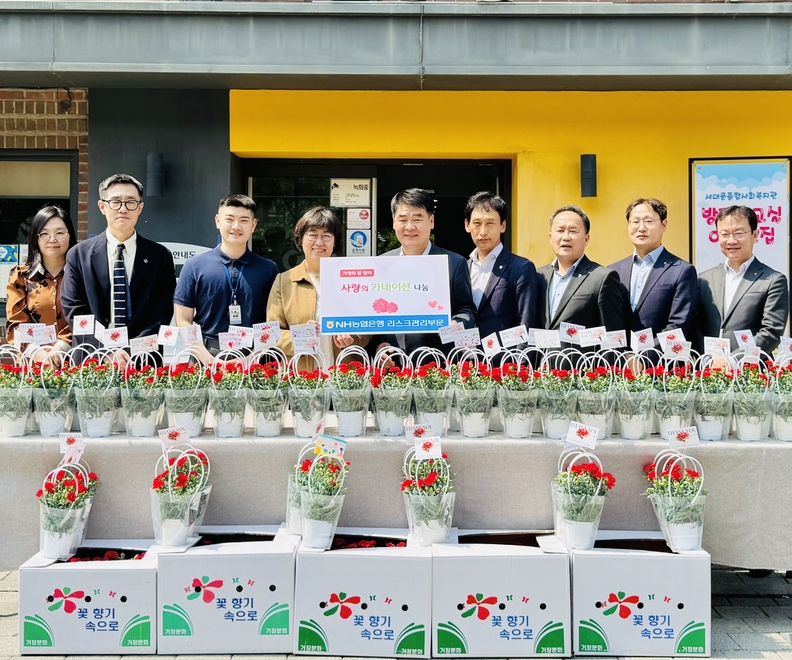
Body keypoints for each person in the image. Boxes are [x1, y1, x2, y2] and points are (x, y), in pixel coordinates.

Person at [60, 173, 176, 361]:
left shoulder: (160, 257)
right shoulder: (78, 255)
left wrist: (130, 353)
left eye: (131, 202)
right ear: (102, 207)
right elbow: (75, 310)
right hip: (93, 359)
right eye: (115, 202)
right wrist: (106, 352)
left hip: (142, 360)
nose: (123, 209)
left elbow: (161, 314)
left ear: (140, 208)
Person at [174, 194, 278, 362]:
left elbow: (272, 322)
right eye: (229, 219)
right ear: (218, 221)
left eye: (244, 220)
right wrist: (206, 357)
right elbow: (183, 319)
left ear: (253, 225)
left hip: (255, 356)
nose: (236, 226)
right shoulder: (194, 265)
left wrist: (251, 358)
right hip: (205, 353)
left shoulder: (268, 269)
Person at [266, 206, 369, 367]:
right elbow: (271, 334)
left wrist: (352, 337)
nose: (319, 242)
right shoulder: (284, 281)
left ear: (335, 241)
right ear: (300, 239)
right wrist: (301, 336)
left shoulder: (352, 279)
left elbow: (369, 327)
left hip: (345, 375)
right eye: (312, 235)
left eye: (326, 236)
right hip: (302, 376)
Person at [380, 188, 476, 357]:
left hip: (438, 361)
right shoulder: (382, 264)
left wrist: (456, 324)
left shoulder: (454, 263)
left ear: (431, 221)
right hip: (393, 361)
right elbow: (371, 314)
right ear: (394, 222)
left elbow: (466, 310)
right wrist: (378, 345)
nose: (410, 227)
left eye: (417, 219)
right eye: (403, 219)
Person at [696, 205, 788, 354]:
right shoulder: (704, 279)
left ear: (755, 235)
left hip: (750, 366)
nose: (731, 240)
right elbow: (695, 326)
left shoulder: (773, 280)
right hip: (708, 365)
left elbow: (771, 331)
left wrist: (733, 360)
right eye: (724, 234)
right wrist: (709, 358)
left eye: (738, 233)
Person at [609, 198, 697, 347]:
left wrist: (645, 355)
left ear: (664, 224)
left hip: (661, 359)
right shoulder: (613, 270)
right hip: (620, 359)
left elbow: (678, 325)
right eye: (635, 222)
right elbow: (609, 321)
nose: (641, 228)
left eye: (648, 221)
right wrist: (623, 354)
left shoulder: (682, 270)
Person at [537, 205, 625, 347]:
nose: (566, 237)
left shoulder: (602, 278)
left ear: (586, 239)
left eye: (573, 231)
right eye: (560, 230)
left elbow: (612, 336)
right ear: (550, 237)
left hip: (580, 361)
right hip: (540, 361)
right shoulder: (538, 276)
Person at [5, 206, 77, 365]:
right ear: (35, 237)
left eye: (60, 233)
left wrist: (59, 350)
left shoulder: (81, 276)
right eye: (44, 233)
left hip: (73, 364)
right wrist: (39, 355)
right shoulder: (21, 277)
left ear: (70, 235)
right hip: (33, 364)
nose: (52, 239)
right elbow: (15, 323)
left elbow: (85, 318)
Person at [464, 191, 539, 339]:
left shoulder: (521, 268)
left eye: (490, 223)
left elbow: (527, 323)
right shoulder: (463, 267)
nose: (483, 232)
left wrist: (520, 355)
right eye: (477, 223)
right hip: (467, 352)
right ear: (467, 225)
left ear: (503, 226)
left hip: (505, 353)